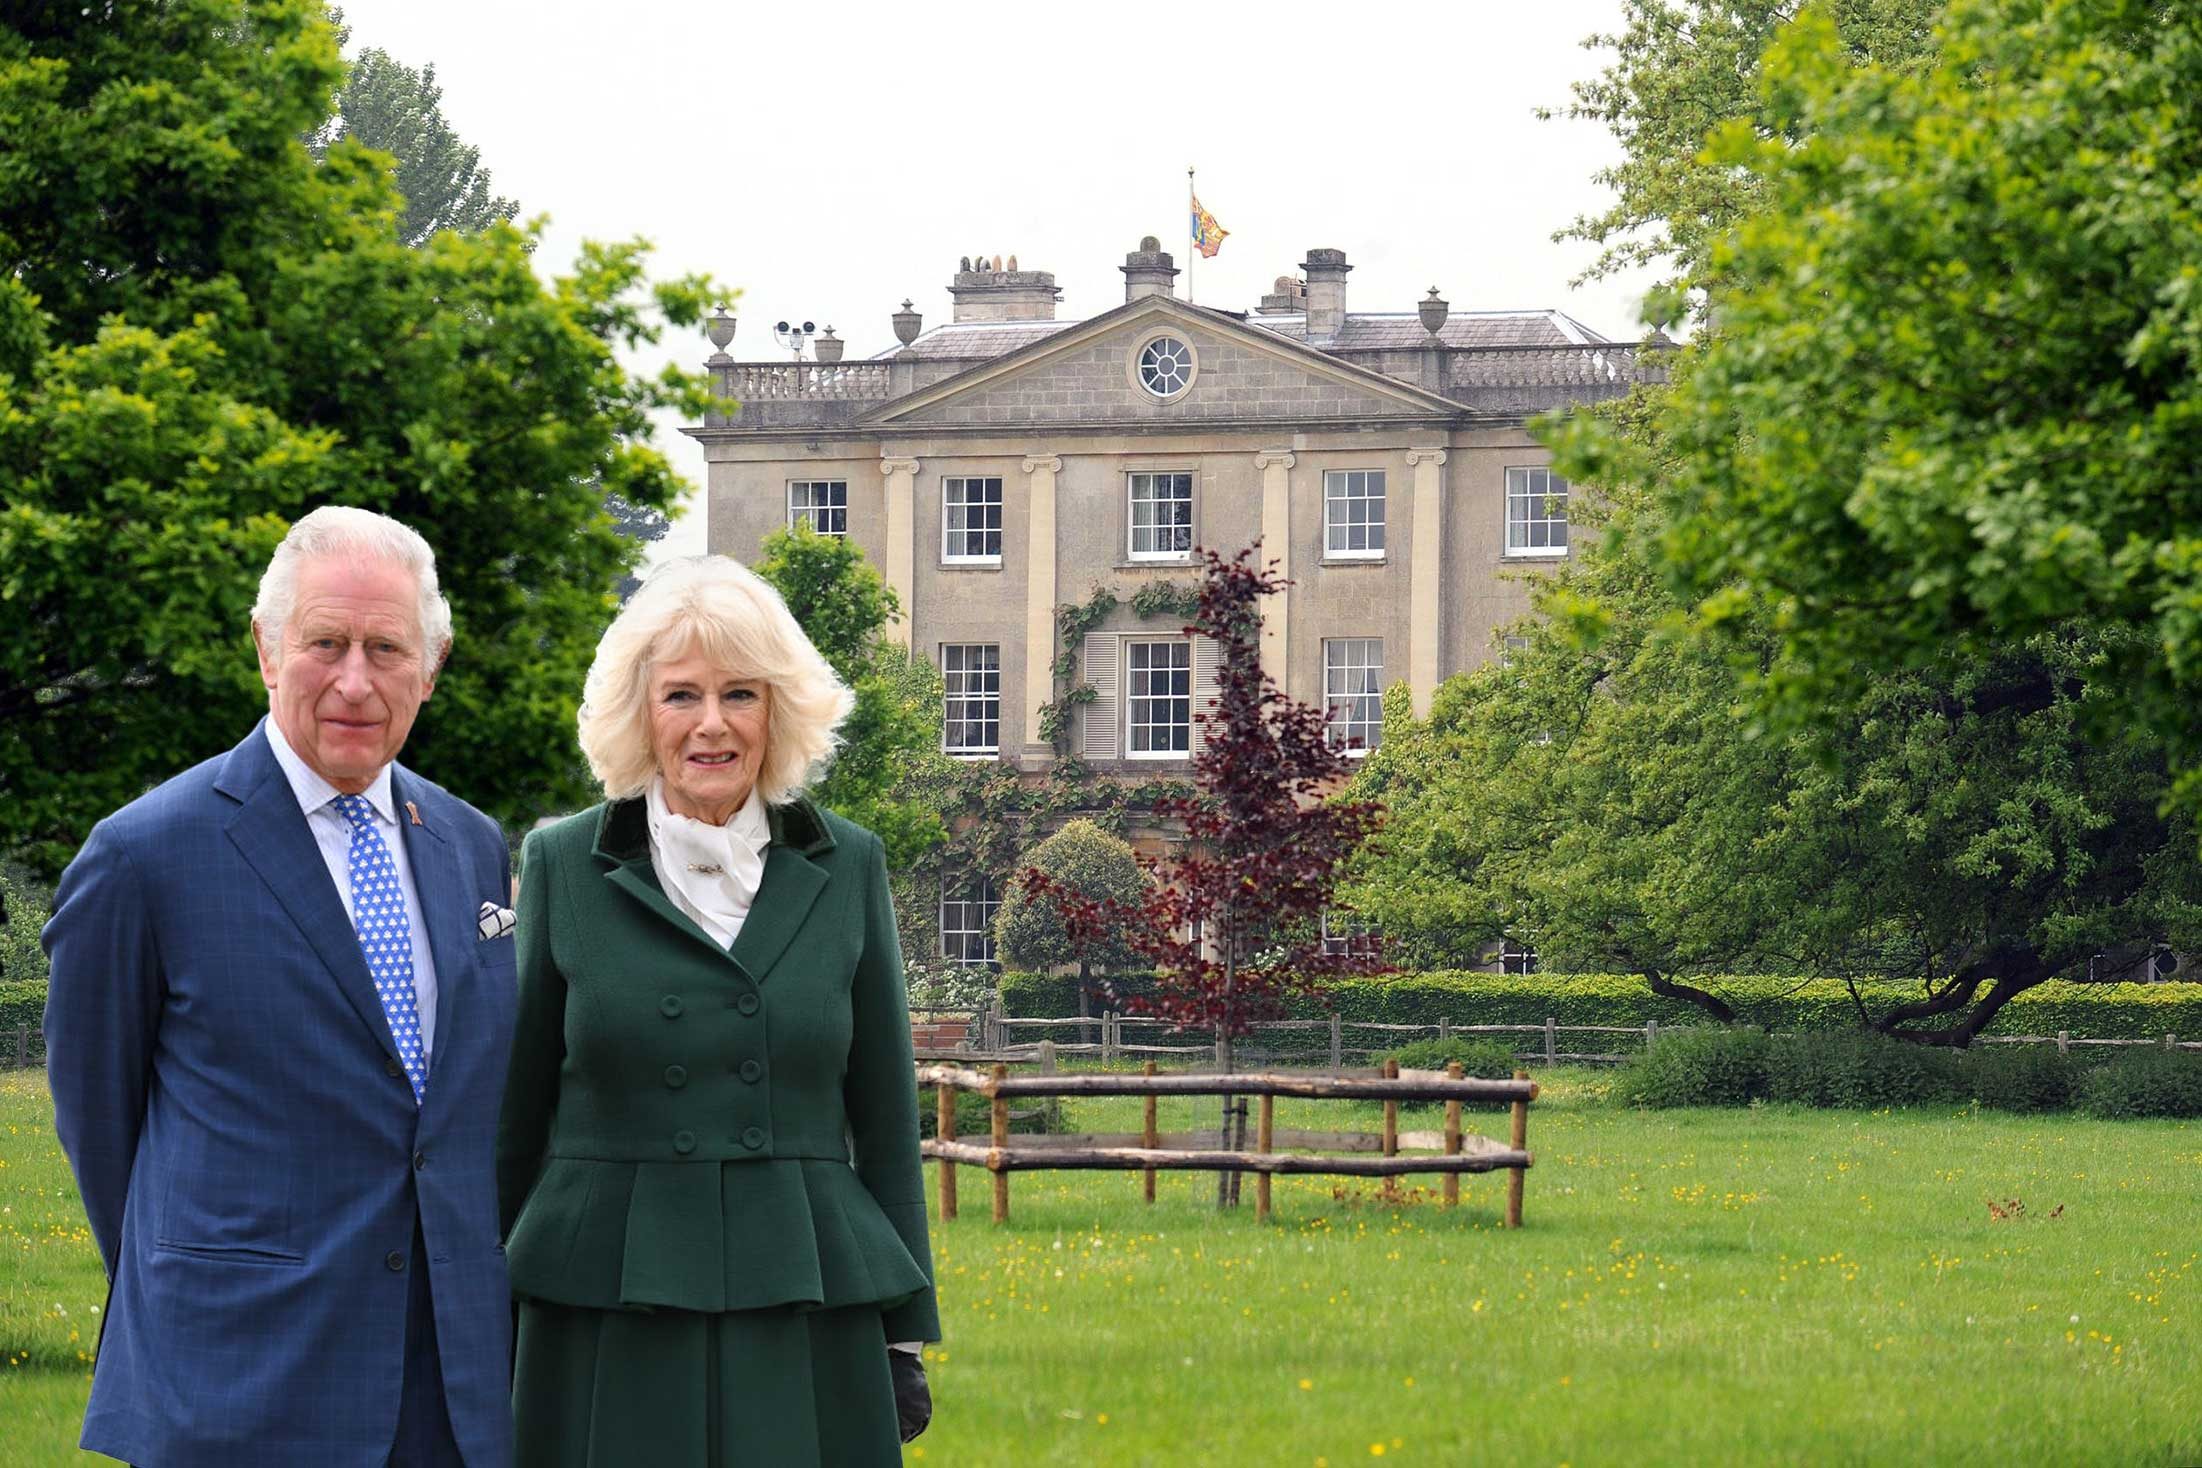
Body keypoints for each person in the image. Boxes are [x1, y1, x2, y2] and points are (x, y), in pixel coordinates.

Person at [42, 506, 518, 1468]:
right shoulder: (144, 856)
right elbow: (99, 1125)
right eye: (326, 643)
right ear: (266, 650)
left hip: (453, 1389)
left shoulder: (468, 843)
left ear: (431, 665)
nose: (355, 680)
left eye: (387, 648)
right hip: (238, 1384)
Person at [496, 556, 937, 1466]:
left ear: (777, 712)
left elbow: (887, 1117)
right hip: (604, 1299)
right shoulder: (560, 862)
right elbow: (517, 1113)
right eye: (680, 696)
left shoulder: (849, 863)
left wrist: (903, 1332)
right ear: (639, 712)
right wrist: (485, 1307)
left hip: (802, 1294)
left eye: (740, 693)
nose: (711, 724)